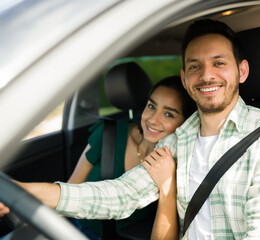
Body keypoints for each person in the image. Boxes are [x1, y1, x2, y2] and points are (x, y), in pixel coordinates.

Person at [0, 19, 260, 239]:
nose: (206, 75)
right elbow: (120, 195)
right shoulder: (177, 141)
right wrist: (25, 192)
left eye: (219, 63)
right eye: (194, 66)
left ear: (242, 71)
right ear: (185, 79)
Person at [66, 75, 195, 239]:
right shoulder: (108, 134)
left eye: (169, 114)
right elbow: (72, 185)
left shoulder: (181, 163)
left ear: (185, 123)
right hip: (75, 228)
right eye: (151, 106)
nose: (153, 120)